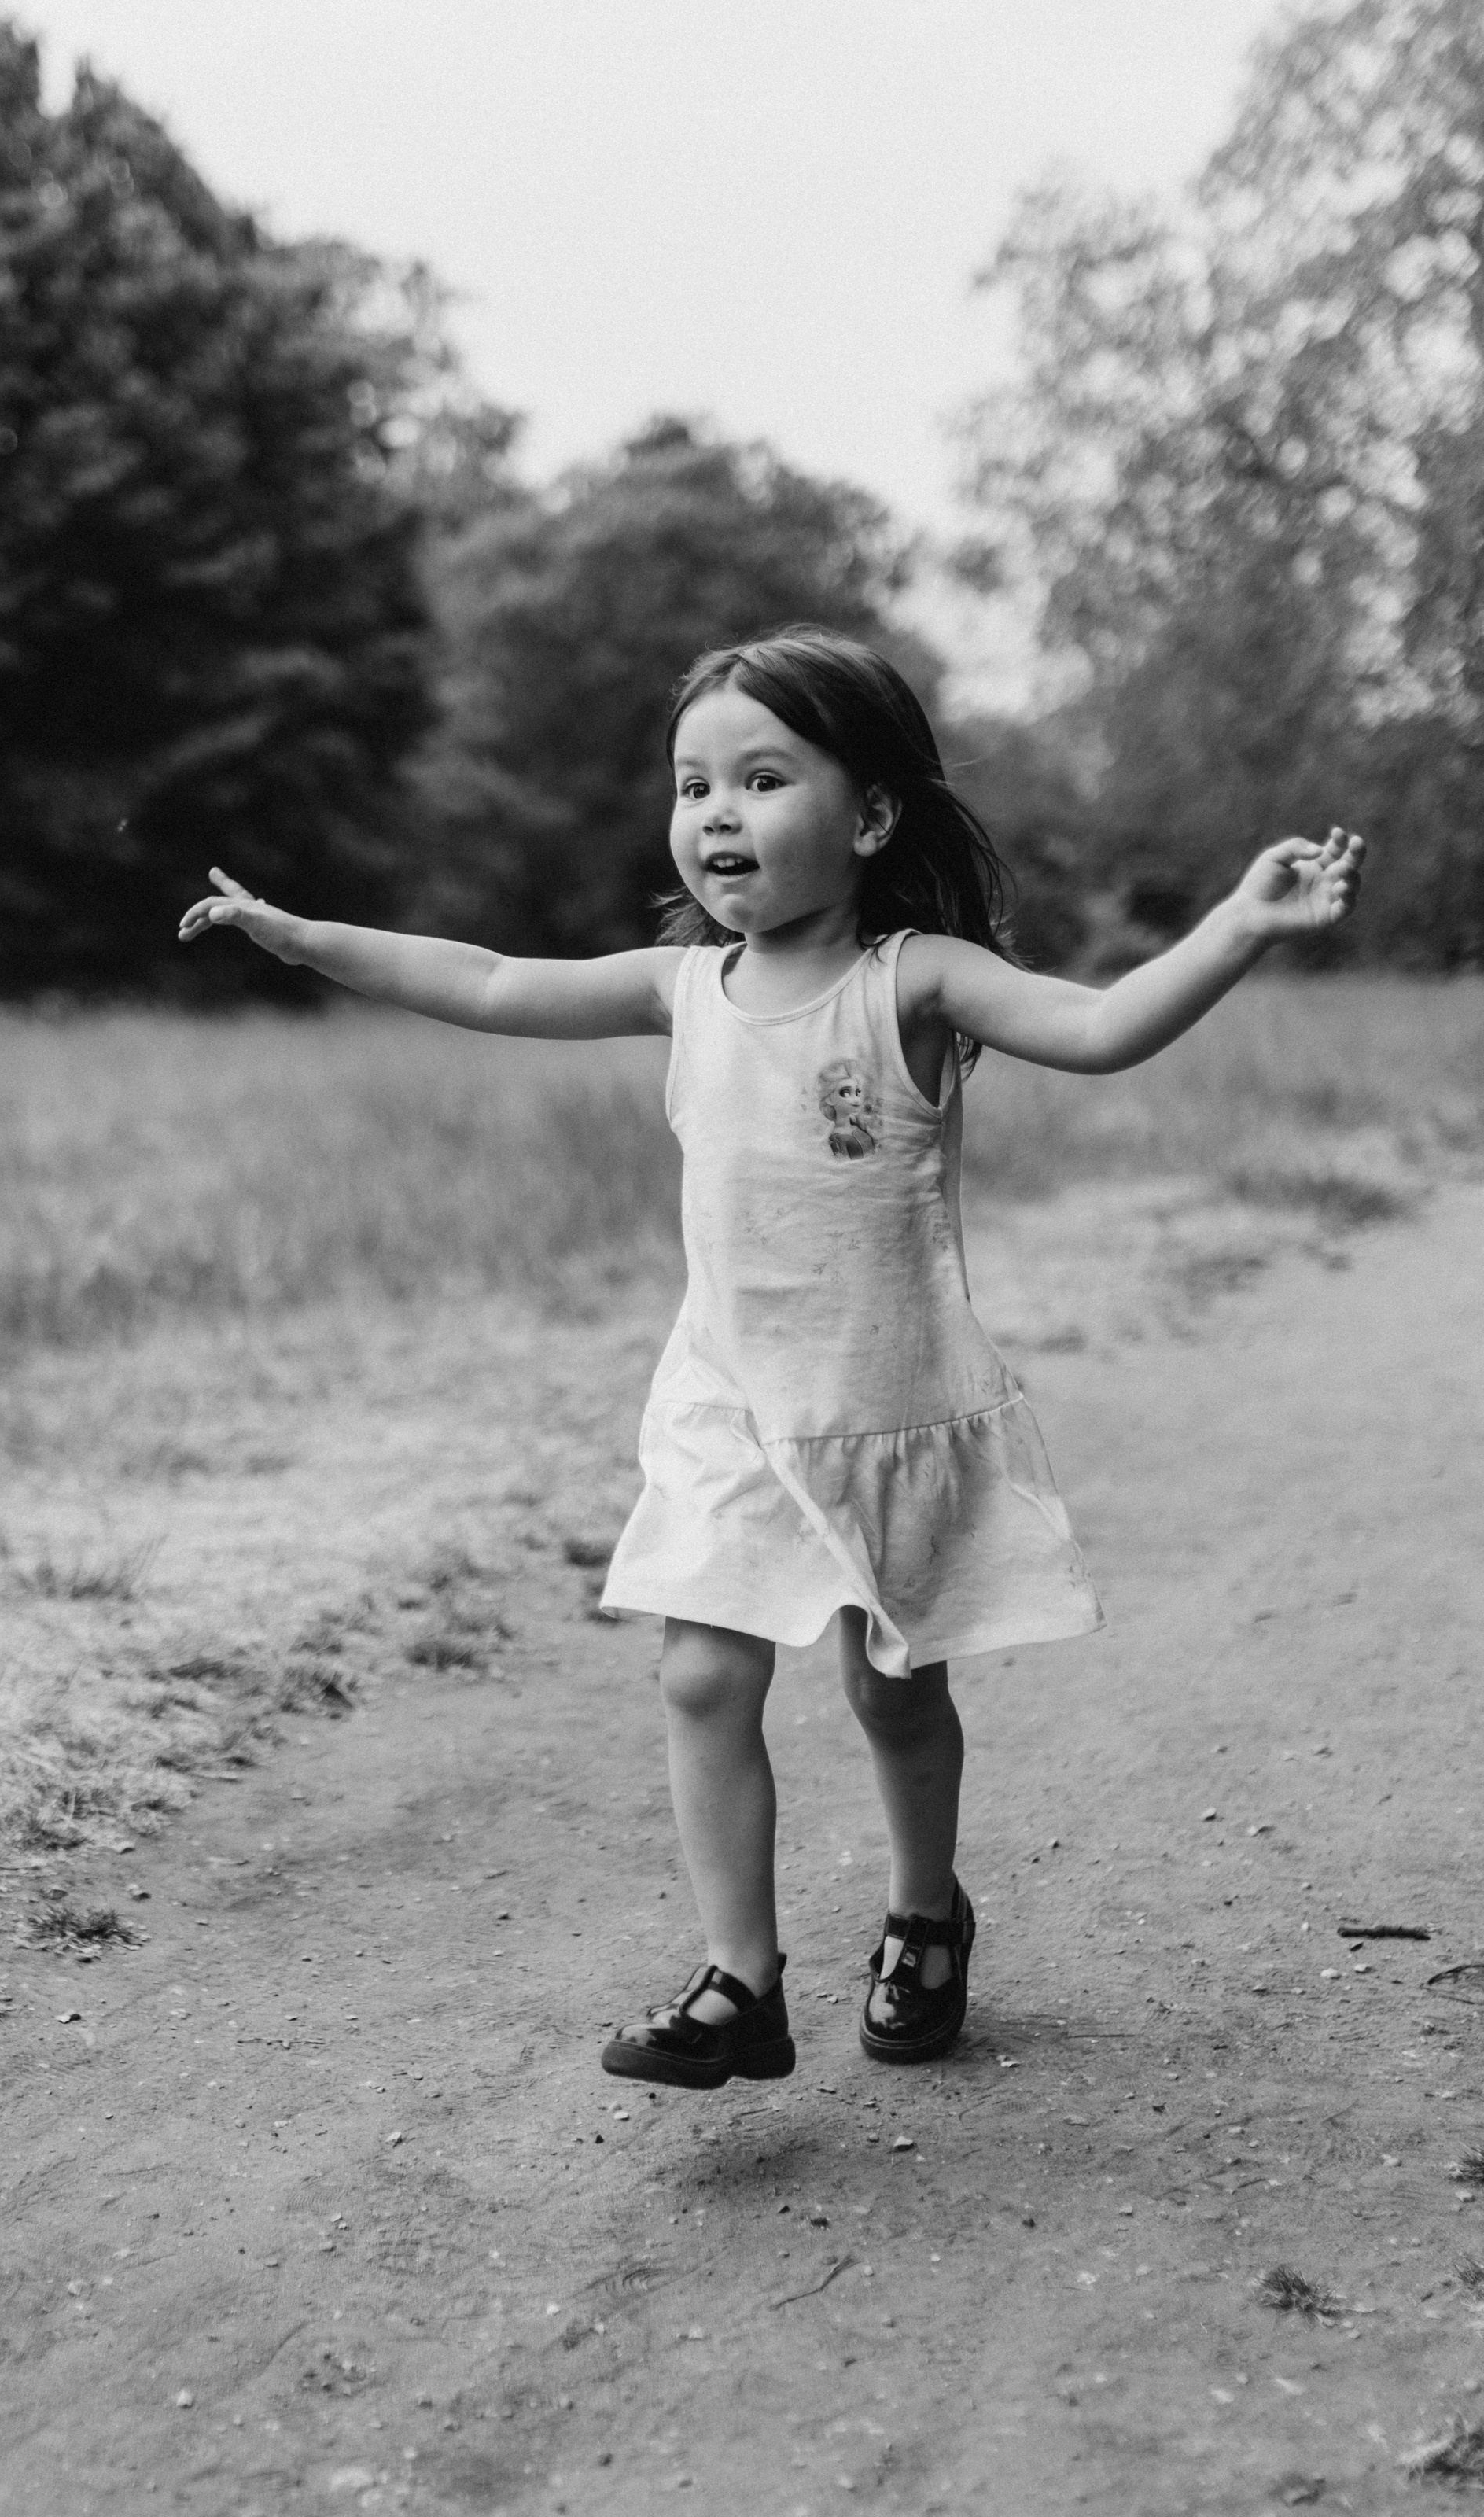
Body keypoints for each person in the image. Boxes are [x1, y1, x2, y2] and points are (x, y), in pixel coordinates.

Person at [179, 625, 1365, 2091]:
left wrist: (1240, 926)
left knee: (894, 1695)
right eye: (694, 786)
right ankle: (741, 1981)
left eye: (761, 779)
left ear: (870, 816)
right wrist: (306, 939)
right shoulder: (683, 985)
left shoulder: (915, 980)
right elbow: (484, 979)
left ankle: (925, 1919)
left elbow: (1104, 1026)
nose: (716, 814)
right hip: (730, 1406)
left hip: (883, 1409)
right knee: (698, 1678)